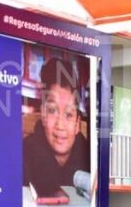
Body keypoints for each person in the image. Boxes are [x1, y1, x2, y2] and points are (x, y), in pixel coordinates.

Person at [23, 57, 91, 195]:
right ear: (43, 115)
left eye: (69, 115)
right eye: (52, 110)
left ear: (77, 123)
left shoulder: (89, 156)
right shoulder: (23, 153)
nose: (60, 125)